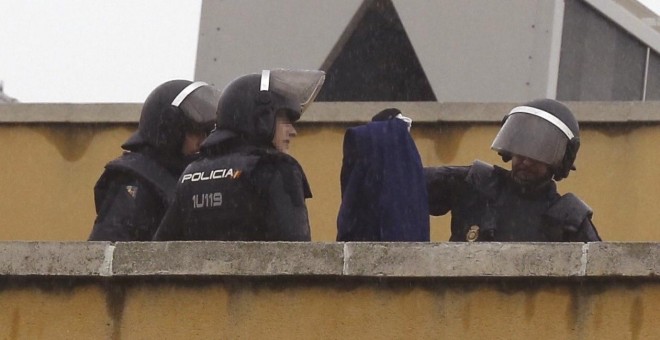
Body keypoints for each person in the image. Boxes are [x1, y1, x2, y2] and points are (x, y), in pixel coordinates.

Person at [153, 69, 325, 241]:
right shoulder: (276, 168)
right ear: (262, 118)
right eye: (285, 120)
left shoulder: (191, 173)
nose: (292, 131)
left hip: (200, 268)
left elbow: (161, 251)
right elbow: (297, 252)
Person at [425, 99, 601, 242]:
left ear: (560, 162)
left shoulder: (569, 219)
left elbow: (600, 276)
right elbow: (407, 184)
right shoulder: (476, 184)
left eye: (538, 154)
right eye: (521, 149)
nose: (525, 160)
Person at [88, 80, 220, 241]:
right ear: (171, 131)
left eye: (207, 133)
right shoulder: (136, 179)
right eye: (195, 132)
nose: (202, 141)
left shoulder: (191, 178)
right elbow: (109, 252)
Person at [336, 108, 429, 241]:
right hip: (399, 244)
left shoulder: (367, 145)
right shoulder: (408, 170)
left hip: (365, 241)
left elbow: (351, 204)